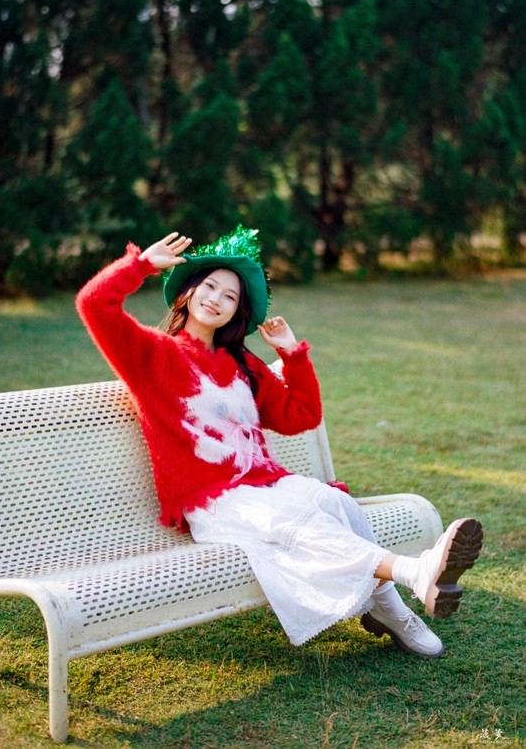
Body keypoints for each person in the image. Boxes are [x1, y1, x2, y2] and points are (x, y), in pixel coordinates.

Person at [76, 226, 483, 658]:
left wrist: (292, 355)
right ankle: (413, 574)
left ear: (237, 313)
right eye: (209, 286)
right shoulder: (151, 355)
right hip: (213, 500)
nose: (215, 299)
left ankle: (391, 610)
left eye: (230, 296)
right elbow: (93, 305)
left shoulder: (243, 366)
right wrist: (140, 265)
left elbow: (302, 416)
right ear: (188, 291)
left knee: (336, 503)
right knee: (296, 526)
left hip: (265, 485)